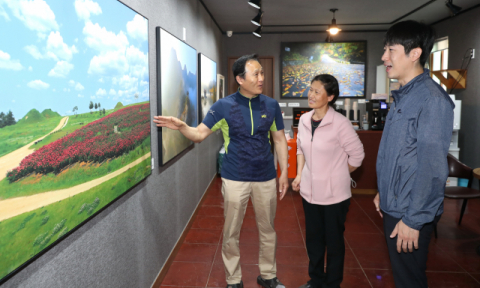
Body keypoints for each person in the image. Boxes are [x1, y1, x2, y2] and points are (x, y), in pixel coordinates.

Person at [153, 54, 289, 288]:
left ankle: (268, 275)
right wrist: (183, 126)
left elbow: (279, 140)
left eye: (262, 73)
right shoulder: (223, 107)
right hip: (235, 177)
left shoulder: (271, 105)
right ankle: (233, 279)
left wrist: (284, 172)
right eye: (255, 74)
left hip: (266, 177)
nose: (261, 78)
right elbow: (199, 135)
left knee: (268, 230)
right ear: (240, 79)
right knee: (231, 232)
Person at [373, 20, 454, 288]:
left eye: (391, 50)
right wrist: (383, 189)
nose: (384, 57)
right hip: (396, 202)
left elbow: (432, 168)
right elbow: (400, 154)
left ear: (415, 53)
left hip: (410, 210)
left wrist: (414, 220)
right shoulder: (404, 96)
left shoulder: (431, 100)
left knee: (410, 281)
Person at [292, 74, 364, 288]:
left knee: (333, 244)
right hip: (309, 194)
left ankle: (333, 284)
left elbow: (358, 156)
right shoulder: (304, 120)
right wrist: (299, 174)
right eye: (310, 89)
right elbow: (300, 149)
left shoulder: (340, 124)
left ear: (330, 97)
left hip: (335, 197)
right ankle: (315, 280)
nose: (311, 95)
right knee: (314, 241)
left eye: (317, 91)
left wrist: (339, 173)